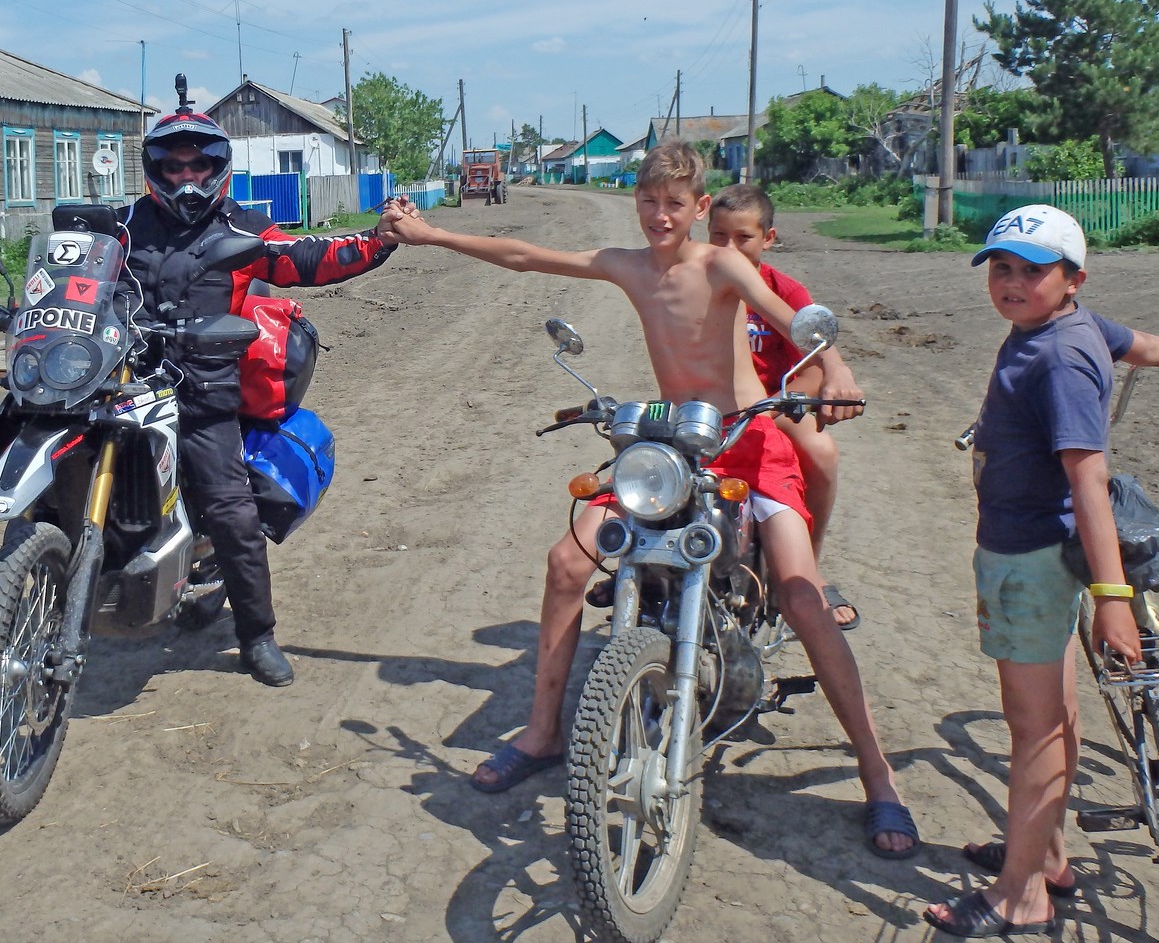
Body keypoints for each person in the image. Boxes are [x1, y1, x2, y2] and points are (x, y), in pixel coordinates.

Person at [379, 143, 918, 857]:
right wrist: (432, 234)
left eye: (674, 203)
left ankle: (878, 777)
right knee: (566, 563)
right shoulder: (627, 266)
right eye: (648, 200)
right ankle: (541, 734)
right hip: (675, 441)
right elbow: (524, 255)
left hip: (750, 444)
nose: (660, 215)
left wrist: (837, 366)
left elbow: (792, 320)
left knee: (801, 593)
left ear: (699, 207)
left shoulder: (722, 264)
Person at [924, 205, 1159, 937]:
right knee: (1056, 712)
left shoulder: (1055, 358)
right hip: (1039, 548)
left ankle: (1021, 894)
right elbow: (1138, 344)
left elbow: (1088, 480)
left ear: (1073, 279)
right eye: (1001, 267)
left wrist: (1111, 598)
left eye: (1033, 271)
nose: (1013, 283)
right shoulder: (1072, 328)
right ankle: (1045, 855)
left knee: (1033, 731)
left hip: (1026, 556)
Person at [120, 77, 402, 688]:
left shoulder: (242, 227)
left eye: (198, 165)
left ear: (217, 168)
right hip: (121, 382)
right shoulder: (122, 227)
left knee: (231, 512)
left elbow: (304, 257)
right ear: (156, 169)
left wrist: (376, 242)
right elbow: (70, 272)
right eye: (173, 166)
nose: (186, 176)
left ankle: (256, 636)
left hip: (200, 391)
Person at [708, 183, 856, 629]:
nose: (729, 248)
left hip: (772, 405)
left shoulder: (784, 291)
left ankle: (808, 569)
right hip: (709, 407)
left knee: (822, 453)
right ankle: (646, 564)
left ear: (768, 239)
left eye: (743, 238)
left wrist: (776, 404)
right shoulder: (695, 278)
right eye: (718, 236)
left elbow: (812, 367)